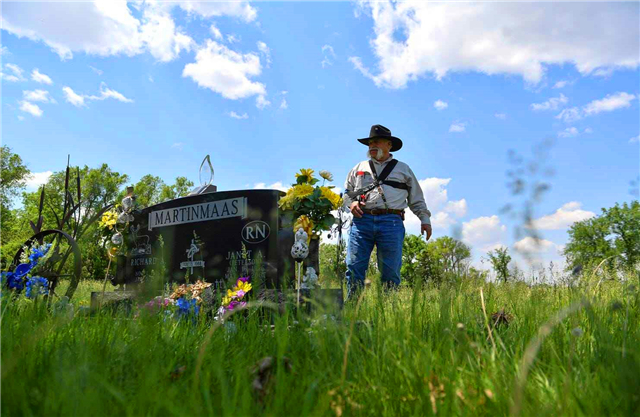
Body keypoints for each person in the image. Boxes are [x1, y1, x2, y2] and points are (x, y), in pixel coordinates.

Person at [343, 124, 432, 298]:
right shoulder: (359, 167)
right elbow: (346, 194)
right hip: (362, 222)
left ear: (389, 145)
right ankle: (352, 312)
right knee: (354, 267)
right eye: (369, 143)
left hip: (391, 222)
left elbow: (416, 198)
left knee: (390, 272)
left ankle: (388, 314)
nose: (372, 146)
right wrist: (351, 204)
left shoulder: (403, 169)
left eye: (376, 142)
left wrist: (425, 219)